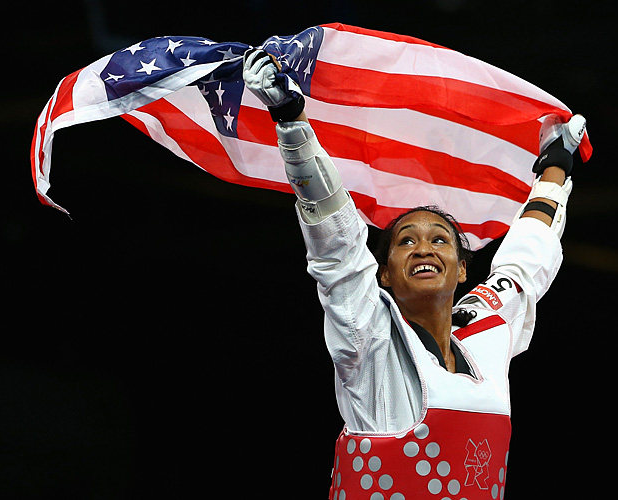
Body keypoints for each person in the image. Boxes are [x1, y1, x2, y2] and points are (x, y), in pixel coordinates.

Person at [243, 48, 587, 499]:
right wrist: (292, 125)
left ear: (463, 269)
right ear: (382, 275)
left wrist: (557, 164)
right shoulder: (370, 338)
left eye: (440, 240)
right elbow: (336, 245)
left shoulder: (486, 329)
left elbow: (526, 261)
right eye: (405, 241)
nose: (423, 247)